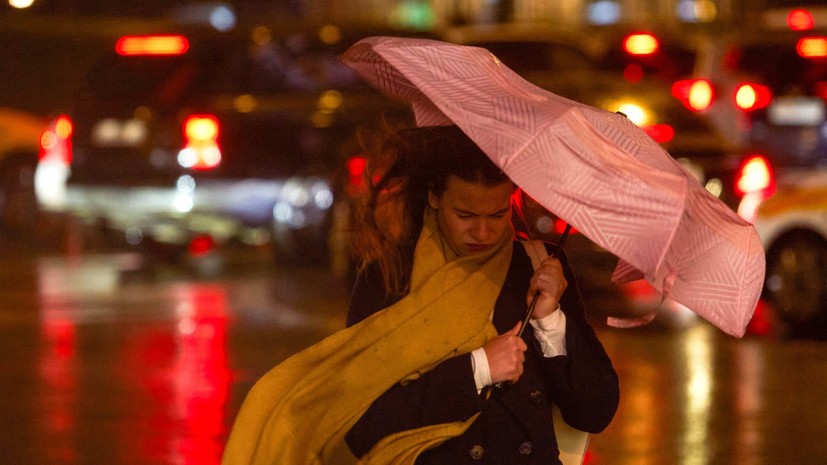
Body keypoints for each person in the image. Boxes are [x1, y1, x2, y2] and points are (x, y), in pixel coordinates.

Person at [343, 124, 619, 465]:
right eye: (466, 215)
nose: (483, 231)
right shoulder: (389, 277)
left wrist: (550, 320)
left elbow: (595, 412)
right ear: (434, 196)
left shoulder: (539, 266)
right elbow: (359, 422)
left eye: (498, 214)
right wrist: (477, 369)